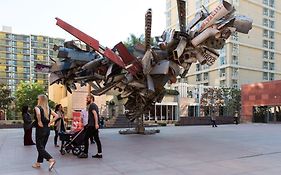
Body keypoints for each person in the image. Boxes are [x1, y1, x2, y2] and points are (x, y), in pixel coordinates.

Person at [32, 94, 60, 171]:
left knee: (39, 147)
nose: (37, 100)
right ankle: (38, 163)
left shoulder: (37, 107)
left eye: (38, 99)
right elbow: (57, 116)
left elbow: (38, 113)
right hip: (47, 129)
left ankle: (50, 159)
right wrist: (50, 122)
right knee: (42, 147)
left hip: (40, 129)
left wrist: (39, 121)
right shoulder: (48, 109)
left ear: (40, 100)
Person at [78, 94, 102, 158]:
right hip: (92, 125)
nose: (86, 99)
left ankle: (85, 153)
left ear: (91, 99)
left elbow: (95, 114)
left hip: (92, 125)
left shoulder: (92, 105)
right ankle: (99, 154)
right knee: (97, 139)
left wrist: (96, 124)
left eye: (87, 98)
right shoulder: (94, 105)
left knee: (85, 138)